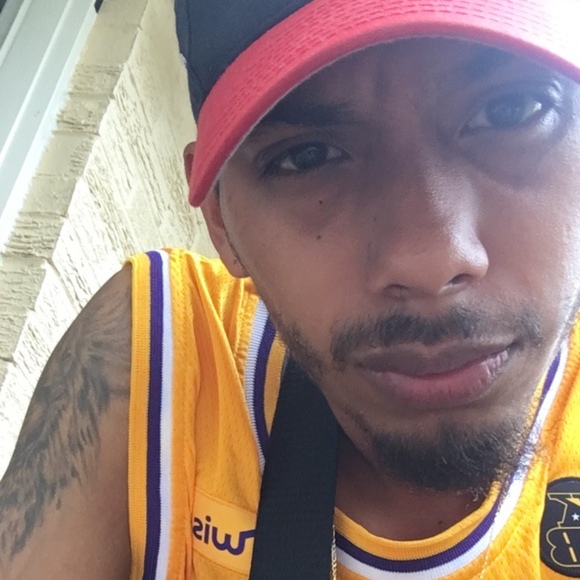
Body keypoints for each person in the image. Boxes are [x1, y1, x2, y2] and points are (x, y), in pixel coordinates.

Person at [2, 0, 580, 578]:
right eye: (308, 157)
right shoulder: (163, 353)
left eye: (512, 111)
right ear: (221, 222)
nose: (431, 260)